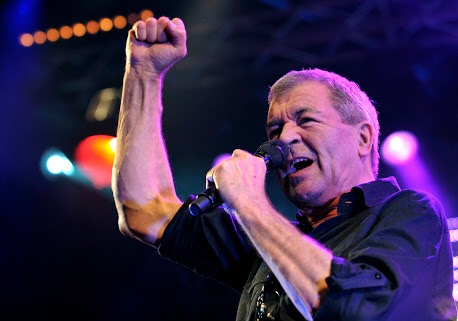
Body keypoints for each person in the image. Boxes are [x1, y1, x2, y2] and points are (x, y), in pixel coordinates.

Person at [112, 15, 457, 320]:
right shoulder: (273, 241)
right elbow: (143, 210)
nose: (283, 140)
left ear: (364, 138)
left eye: (305, 120)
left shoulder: (410, 212)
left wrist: (249, 204)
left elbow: (359, 310)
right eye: (274, 130)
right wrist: (143, 74)